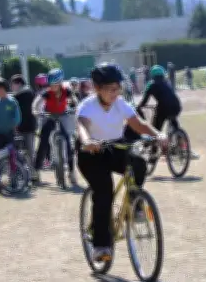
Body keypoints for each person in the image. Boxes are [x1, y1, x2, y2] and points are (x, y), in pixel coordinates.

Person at [76, 63, 165, 262]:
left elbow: (138, 124)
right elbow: (82, 126)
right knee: (104, 192)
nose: (115, 93)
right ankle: (100, 245)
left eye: (118, 88)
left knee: (138, 162)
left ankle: (135, 202)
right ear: (97, 89)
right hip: (91, 153)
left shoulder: (120, 104)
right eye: (110, 89)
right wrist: (87, 141)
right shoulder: (87, 106)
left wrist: (158, 134)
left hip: (114, 147)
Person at [32, 68, 77, 185]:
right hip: (49, 116)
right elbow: (37, 102)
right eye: (51, 84)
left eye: (55, 85)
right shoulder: (47, 92)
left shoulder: (66, 91)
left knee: (68, 143)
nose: (53, 87)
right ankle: (36, 170)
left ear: (60, 83)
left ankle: (71, 172)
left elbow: (75, 101)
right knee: (43, 142)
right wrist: (35, 110)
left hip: (63, 116)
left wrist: (75, 108)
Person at [0, 78, 22, 192]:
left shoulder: (12, 102)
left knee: (12, 157)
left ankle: (14, 181)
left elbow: (17, 117)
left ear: (4, 89)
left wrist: (13, 123)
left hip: (10, 133)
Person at [10, 74, 38, 182]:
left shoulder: (24, 94)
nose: (11, 87)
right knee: (28, 151)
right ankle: (31, 173)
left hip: (24, 127)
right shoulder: (29, 93)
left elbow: (24, 112)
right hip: (28, 127)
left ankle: (29, 173)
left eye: (12, 84)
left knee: (27, 151)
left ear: (18, 84)